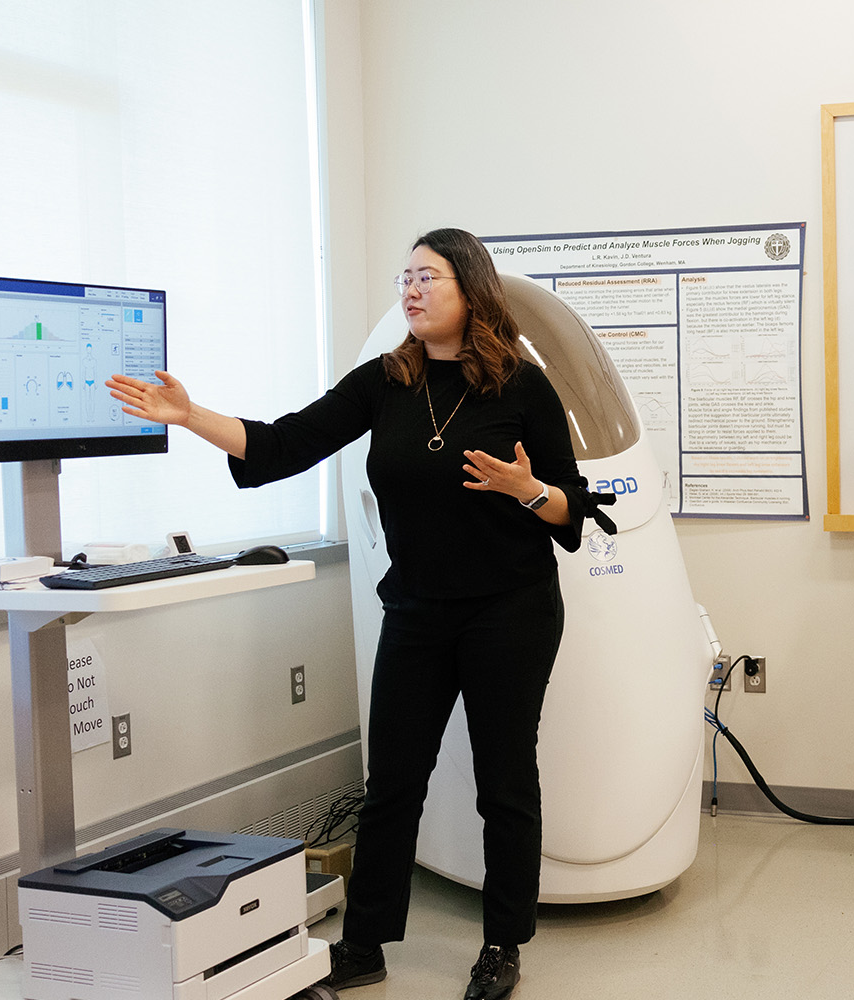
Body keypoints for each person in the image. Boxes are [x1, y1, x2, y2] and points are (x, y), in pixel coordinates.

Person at [108, 228, 602, 1000]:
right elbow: (282, 445)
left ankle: (503, 943)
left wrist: (525, 491)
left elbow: (571, 509)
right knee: (393, 782)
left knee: (504, 783)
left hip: (511, 610)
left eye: (428, 277)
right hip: (416, 611)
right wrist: (188, 413)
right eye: (404, 277)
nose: (409, 289)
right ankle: (364, 943)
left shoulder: (524, 389)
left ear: (472, 289)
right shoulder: (386, 380)